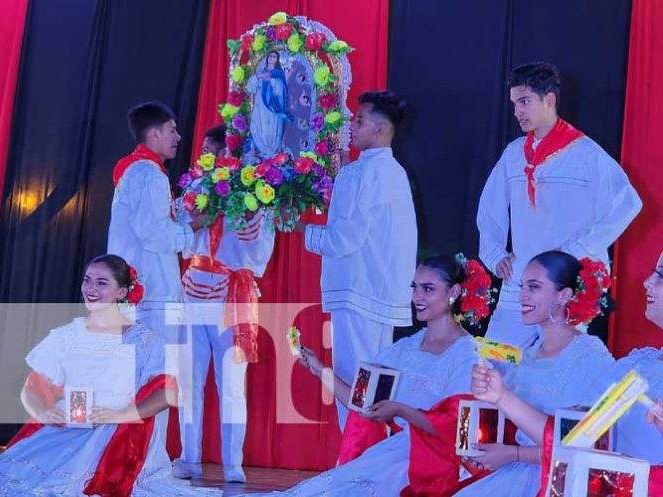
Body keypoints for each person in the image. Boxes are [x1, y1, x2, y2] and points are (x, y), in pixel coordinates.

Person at [0, 255, 217, 497]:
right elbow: (31, 387)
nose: (91, 287)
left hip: (114, 431)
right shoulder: (66, 336)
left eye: (101, 282)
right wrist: (42, 412)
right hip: (69, 424)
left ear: (121, 292)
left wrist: (122, 415)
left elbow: (168, 393)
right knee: (13, 480)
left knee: (69, 483)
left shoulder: (143, 341)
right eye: (87, 280)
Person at [238, 255, 480, 497]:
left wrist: (400, 410)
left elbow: (461, 429)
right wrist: (320, 369)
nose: (417, 296)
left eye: (428, 289)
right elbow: (362, 403)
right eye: (414, 287)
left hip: (433, 464)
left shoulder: (468, 355)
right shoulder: (402, 349)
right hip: (390, 454)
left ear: (454, 292)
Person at [477, 62, 642, 348]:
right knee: (494, 362)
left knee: (562, 364)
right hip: (521, 280)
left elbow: (627, 204)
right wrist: (493, 253)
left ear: (549, 100)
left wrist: (576, 253)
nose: (518, 111)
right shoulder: (515, 153)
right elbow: (489, 209)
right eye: (515, 103)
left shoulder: (586, 153)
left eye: (525, 102)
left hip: (567, 283)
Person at [445, 251, 614, 497]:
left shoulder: (589, 357)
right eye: (522, 286)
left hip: (557, 482)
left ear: (564, 295)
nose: (523, 295)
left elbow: (583, 443)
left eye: (533, 287)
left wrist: (513, 454)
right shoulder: (530, 354)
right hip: (514, 473)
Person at [296, 90, 418, 429]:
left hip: (359, 291)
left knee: (356, 384)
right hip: (375, 291)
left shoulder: (365, 174)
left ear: (380, 128)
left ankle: (354, 464)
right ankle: (362, 463)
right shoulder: (385, 172)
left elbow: (343, 239)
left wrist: (299, 226)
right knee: (371, 383)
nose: (352, 125)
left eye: (359, 120)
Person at [171, 125, 276, 483]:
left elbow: (259, 250)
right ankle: (190, 457)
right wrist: (200, 213)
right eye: (204, 154)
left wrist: (242, 208)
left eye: (212, 154)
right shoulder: (194, 190)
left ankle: (234, 464)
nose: (205, 160)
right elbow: (181, 237)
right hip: (193, 290)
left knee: (231, 385)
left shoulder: (254, 194)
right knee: (189, 381)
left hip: (232, 295)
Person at [108, 101, 203, 343]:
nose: (178, 137)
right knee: (155, 371)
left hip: (142, 291)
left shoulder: (139, 170)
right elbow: (155, 235)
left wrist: (183, 209)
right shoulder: (148, 173)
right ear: (154, 134)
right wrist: (197, 225)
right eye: (172, 130)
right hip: (152, 294)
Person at [247, 50, 291, 157]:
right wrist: (258, 77)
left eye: (274, 56)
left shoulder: (279, 74)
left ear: (277, 60)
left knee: (272, 127)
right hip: (260, 105)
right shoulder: (260, 72)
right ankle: (261, 151)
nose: (271, 58)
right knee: (259, 125)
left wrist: (270, 80)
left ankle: (272, 152)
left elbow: (282, 90)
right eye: (270, 56)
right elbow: (250, 88)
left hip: (273, 106)